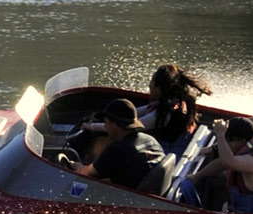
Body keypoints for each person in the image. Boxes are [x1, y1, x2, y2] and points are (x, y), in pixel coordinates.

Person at [84, 64, 213, 155]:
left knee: (117, 144)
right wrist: (106, 114)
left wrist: (90, 126)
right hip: (170, 144)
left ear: (158, 89)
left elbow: (126, 126)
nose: (149, 84)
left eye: (151, 81)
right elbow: (134, 112)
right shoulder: (168, 102)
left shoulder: (164, 113)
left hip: (169, 153)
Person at [182, 117, 253, 214]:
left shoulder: (252, 162)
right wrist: (196, 176)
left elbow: (227, 161)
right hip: (252, 203)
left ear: (240, 142)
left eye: (227, 142)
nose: (224, 144)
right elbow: (222, 163)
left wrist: (220, 135)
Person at [61, 99, 163, 190]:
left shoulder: (116, 149)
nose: (105, 127)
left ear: (114, 125)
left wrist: (75, 165)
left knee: (77, 185)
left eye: (106, 123)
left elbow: (84, 174)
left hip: (127, 199)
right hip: (142, 191)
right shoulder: (151, 140)